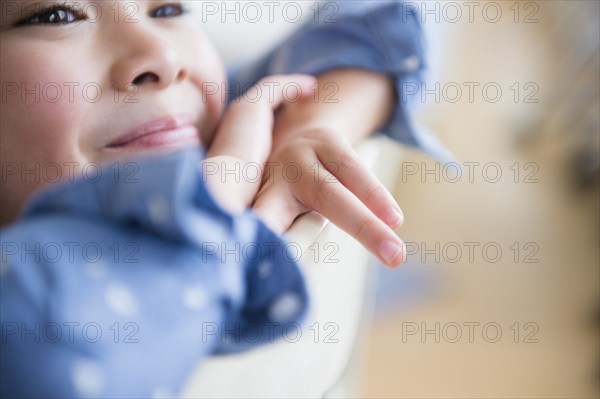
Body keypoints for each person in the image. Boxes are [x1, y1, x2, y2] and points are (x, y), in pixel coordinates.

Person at [0, 1, 447, 396]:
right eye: (56, 15)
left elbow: (381, 12)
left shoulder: (215, 127)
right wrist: (211, 200)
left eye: (167, 9)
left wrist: (310, 124)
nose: (164, 56)